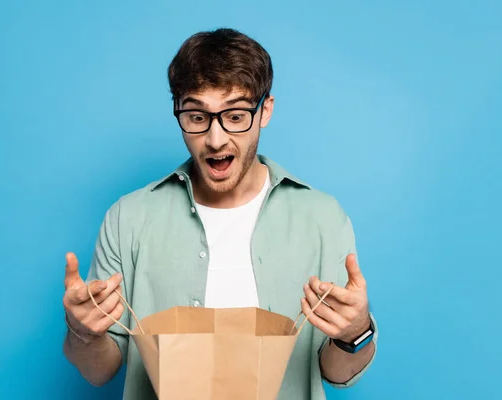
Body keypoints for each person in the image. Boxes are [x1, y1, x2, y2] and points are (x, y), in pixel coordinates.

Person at [62, 28, 378, 399]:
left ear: (266, 111)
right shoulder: (128, 219)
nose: (215, 139)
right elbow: (100, 371)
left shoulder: (321, 218)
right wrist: (82, 331)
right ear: (178, 111)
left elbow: (337, 374)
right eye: (197, 116)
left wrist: (354, 332)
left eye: (236, 114)